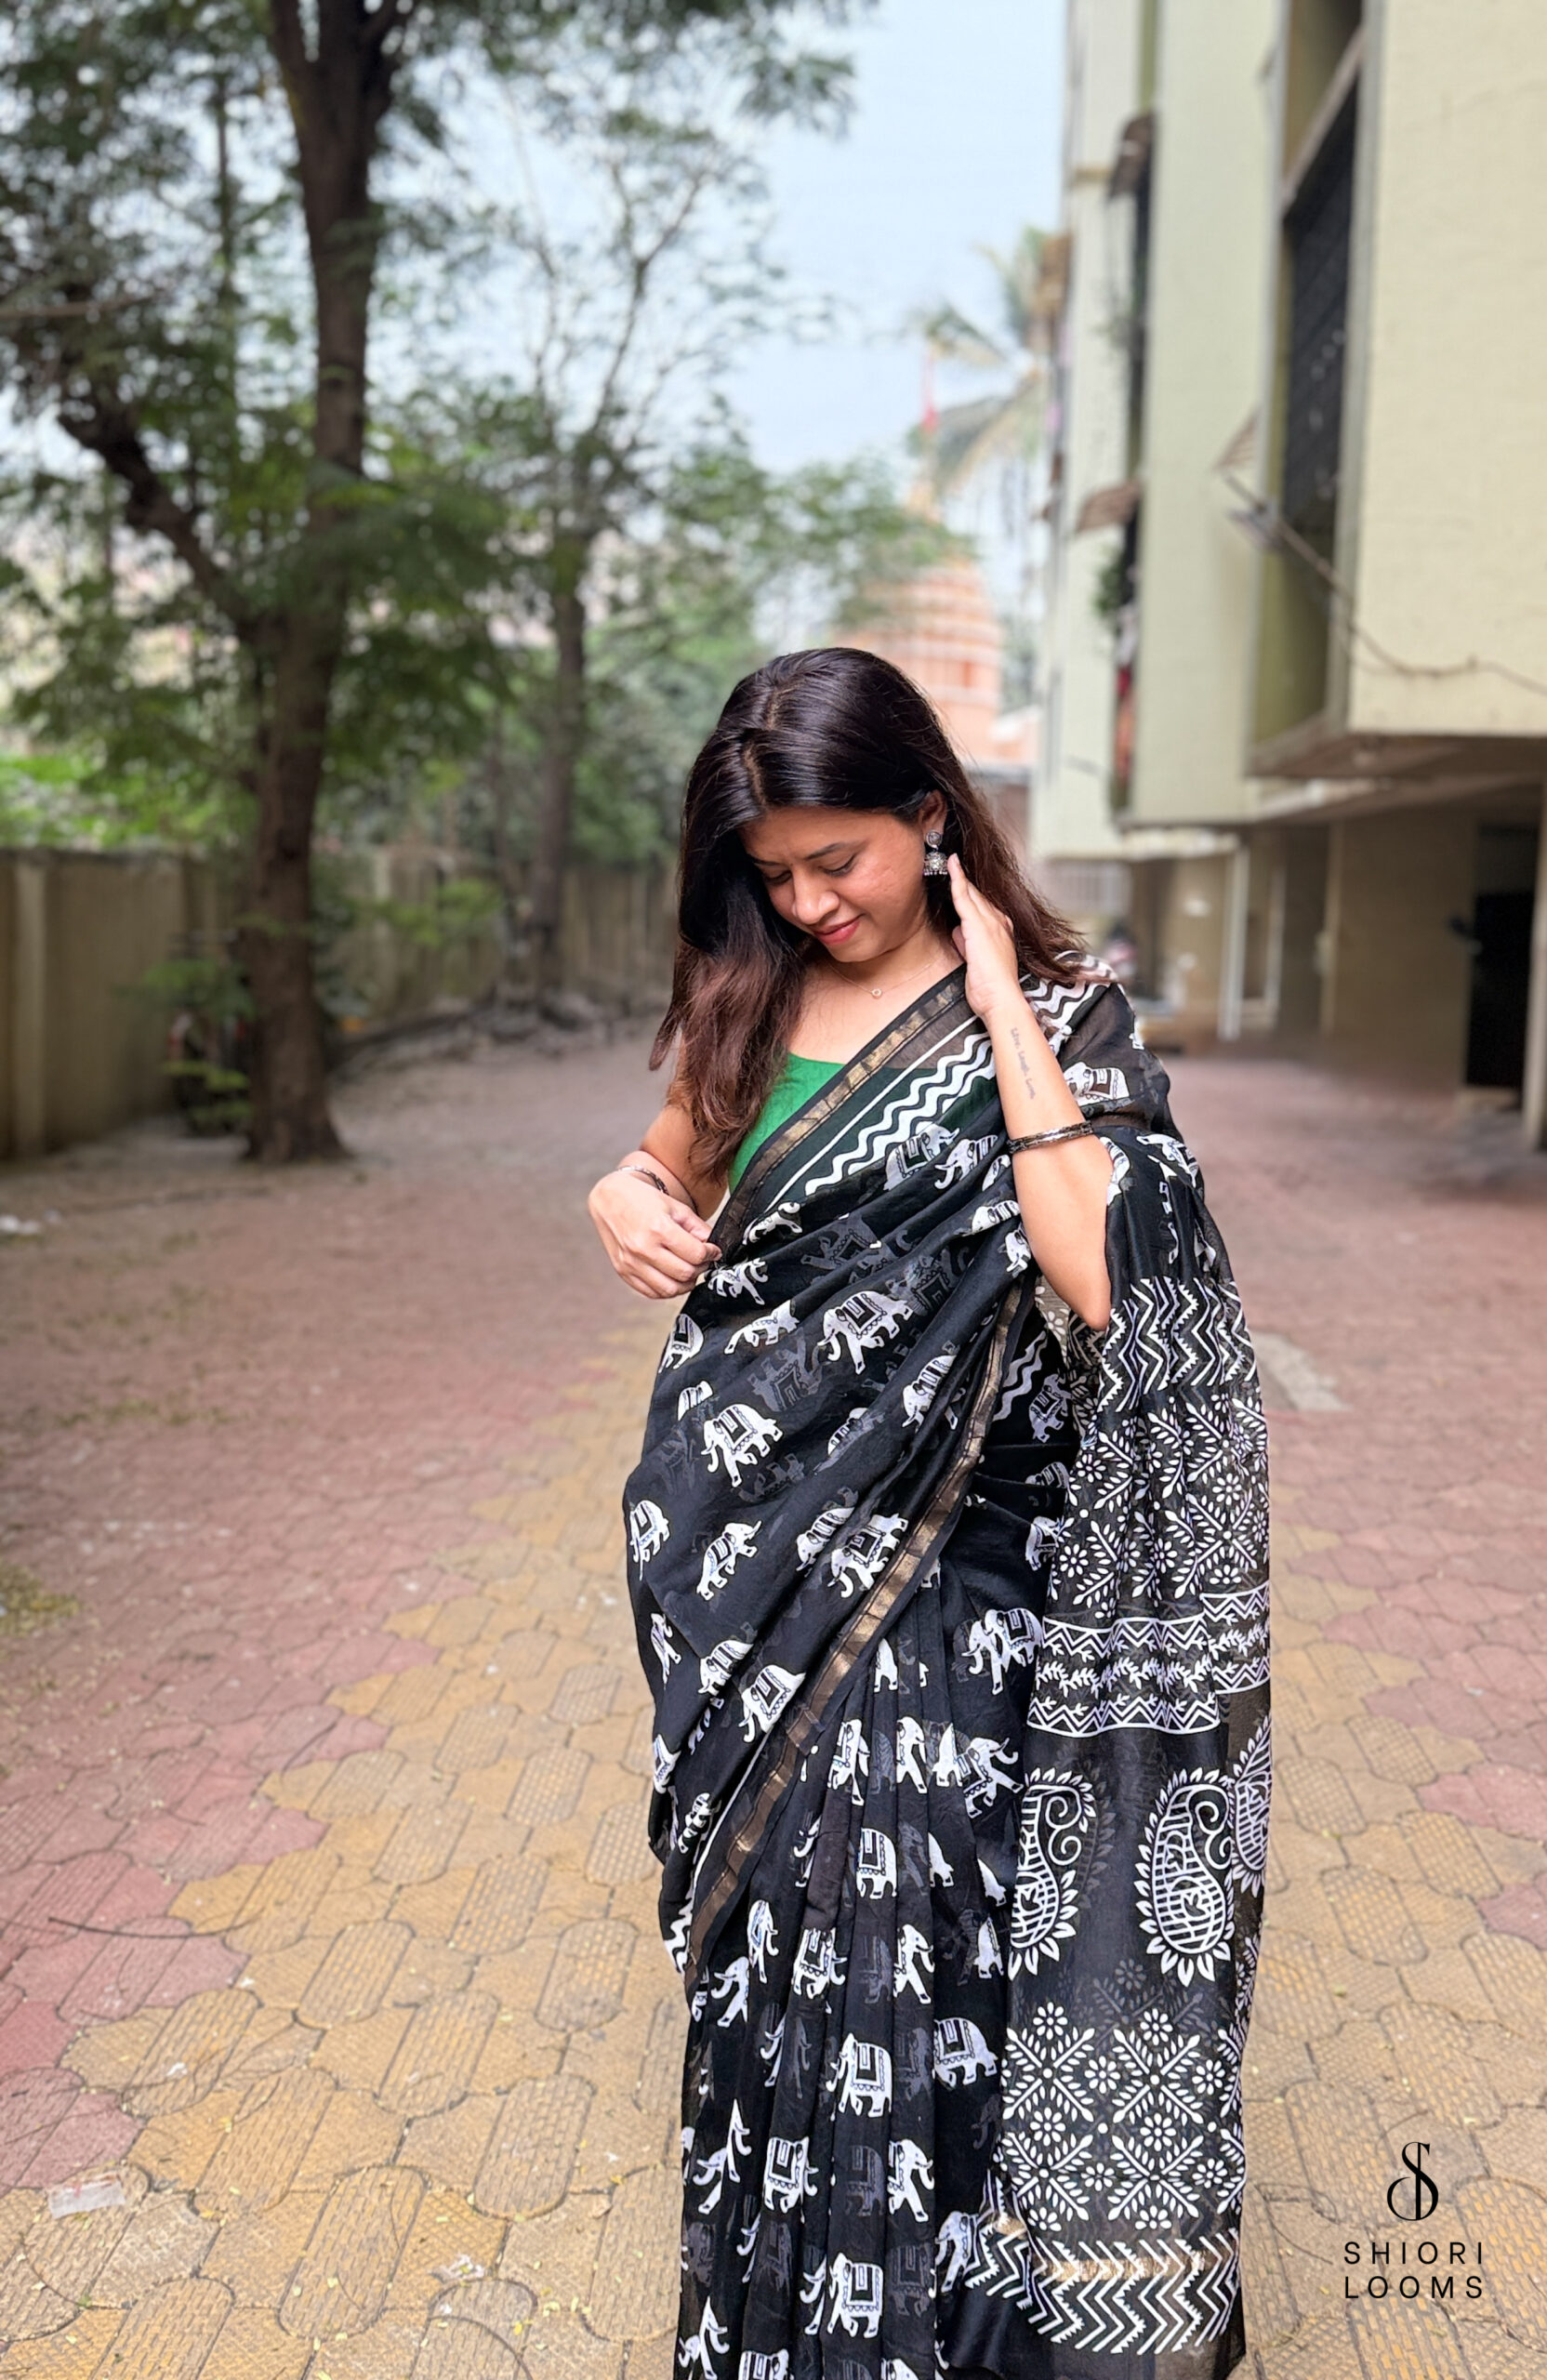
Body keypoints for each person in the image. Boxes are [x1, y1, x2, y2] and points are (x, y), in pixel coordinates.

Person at [587, 649, 1269, 2380]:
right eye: (774, 873)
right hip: (752, 1577)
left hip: (957, 1583)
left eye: (844, 862)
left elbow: (1103, 1266)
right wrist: (623, 1189)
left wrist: (1003, 1003)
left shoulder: (1062, 1010)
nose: (810, 903)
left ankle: (937, 2331)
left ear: (928, 817)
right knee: (784, 1970)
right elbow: (669, 1161)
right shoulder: (744, 1003)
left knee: (928, 1972)